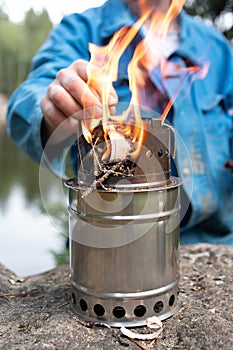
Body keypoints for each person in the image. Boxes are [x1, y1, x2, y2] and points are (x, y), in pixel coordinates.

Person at [6, 0, 233, 245]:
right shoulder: (82, 31)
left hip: (214, 243)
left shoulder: (214, 46)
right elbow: (27, 99)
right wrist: (56, 105)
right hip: (111, 250)